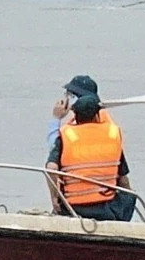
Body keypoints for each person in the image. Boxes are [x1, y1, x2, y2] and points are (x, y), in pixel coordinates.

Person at [45, 93, 136, 221]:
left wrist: (55, 198)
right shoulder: (111, 136)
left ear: (75, 115)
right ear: (97, 115)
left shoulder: (66, 136)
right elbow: (123, 181)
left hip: (73, 207)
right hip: (106, 208)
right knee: (130, 195)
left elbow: (51, 168)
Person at [47, 74, 99, 150]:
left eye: (70, 95)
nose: (66, 99)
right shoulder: (101, 119)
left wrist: (56, 118)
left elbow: (54, 148)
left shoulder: (81, 124)